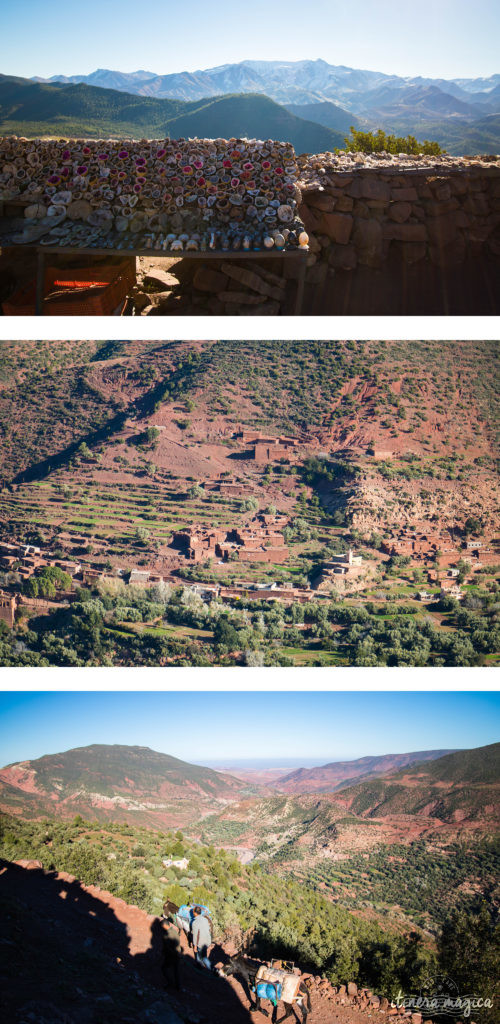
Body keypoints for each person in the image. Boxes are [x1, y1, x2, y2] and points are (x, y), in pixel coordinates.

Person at [161, 914, 182, 990]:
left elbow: (168, 947)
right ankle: (178, 987)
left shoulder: (167, 934)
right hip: (177, 954)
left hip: (172, 955)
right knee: (176, 971)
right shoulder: (174, 931)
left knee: (164, 968)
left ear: (164, 926)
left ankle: (170, 983)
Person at [191, 905, 213, 971]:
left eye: (193, 911)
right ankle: (202, 965)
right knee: (204, 955)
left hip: (201, 942)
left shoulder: (194, 922)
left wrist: (195, 946)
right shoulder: (205, 919)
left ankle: (209, 969)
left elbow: (195, 935)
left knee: (201, 956)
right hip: (207, 941)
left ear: (195, 913)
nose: (192, 913)